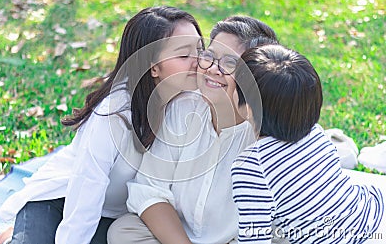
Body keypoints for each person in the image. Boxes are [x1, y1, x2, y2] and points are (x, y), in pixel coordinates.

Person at [0, 6, 203, 244]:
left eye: (200, 50)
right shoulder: (114, 113)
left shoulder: (193, 102)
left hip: (113, 218)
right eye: (184, 56)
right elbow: (86, 189)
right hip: (62, 201)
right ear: (153, 66)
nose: (199, 62)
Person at [106, 16, 281, 244]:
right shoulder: (183, 107)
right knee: (123, 231)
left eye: (229, 63)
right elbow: (149, 190)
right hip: (179, 234)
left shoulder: (264, 136)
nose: (212, 70)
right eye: (209, 56)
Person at [231, 44, 385, 243]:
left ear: (250, 109)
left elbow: (254, 237)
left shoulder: (250, 167)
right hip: (374, 216)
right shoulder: (316, 133)